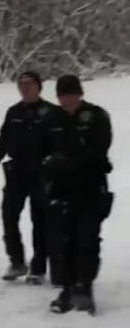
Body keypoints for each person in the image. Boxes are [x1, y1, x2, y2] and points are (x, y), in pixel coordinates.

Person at [40, 75, 113, 315]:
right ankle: (67, 289)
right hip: (61, 190)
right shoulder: (51, 119)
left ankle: (85, 287)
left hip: (91, 188)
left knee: (87, 239)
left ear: (79, 94)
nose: (67, 100)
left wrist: (68, 162)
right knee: (64, 241)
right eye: (63, 95)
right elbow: (42, 151)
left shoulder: (96, 116)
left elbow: (98, 151)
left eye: (71, 94)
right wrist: (49, 169)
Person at [0, 71, 58, 284]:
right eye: (21, 84)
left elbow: (61, 142)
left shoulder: (51, 112)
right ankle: (17, 261)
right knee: (9, 216)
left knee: (40, 220)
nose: (25, 88)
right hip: (17, 171)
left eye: (29, 84)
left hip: (42, 172)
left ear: (38, 86)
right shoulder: (14, 112)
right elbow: (3, 138)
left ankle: (38, 267)